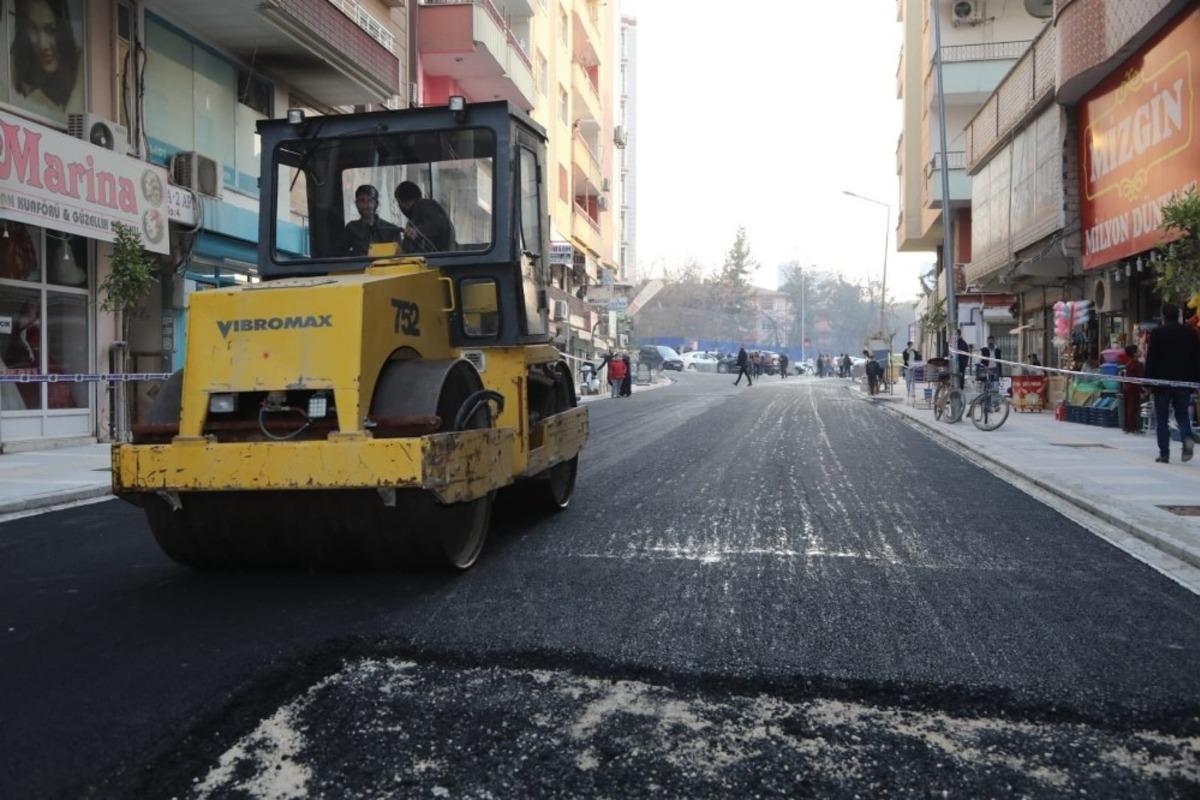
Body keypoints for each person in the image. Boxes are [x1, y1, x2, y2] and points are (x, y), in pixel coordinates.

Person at [1144, 303, 1200, 463]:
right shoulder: (1190, 332)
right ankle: (1187, 438)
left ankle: (1164, 453)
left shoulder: (1157, 333)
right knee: (1182, 414)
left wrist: (1147, 382)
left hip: (1161, 383)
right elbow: (1196, 357)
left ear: (1163, 316)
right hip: (1184, 382)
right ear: (1179, 316)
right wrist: (1196, 382)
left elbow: (1152, 358)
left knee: (1161, 418)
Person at [12, 0, 83, 120]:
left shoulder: (81, 62)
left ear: (63, 29)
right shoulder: (20, 63)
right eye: (33, 28)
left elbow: (71, 125)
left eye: (51, 30)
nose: (43, 44)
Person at [395, 181, 456, 253]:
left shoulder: (420, 208)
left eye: (399, 203)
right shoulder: (430, 206)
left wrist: (415, 233)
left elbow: (410, 248)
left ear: (403, 203)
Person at [338, 185, 400, 256]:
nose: (366, 205)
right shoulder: (351, 228)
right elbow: (340, 254)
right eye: (362, 200)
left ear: (376, 204)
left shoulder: (391, 230)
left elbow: (399, 257)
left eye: (370, 200)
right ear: (356, 204)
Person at [1121, 344, 1145, 434]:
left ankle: (1128, 427)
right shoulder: (1138, 365)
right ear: (1134, 353)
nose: (1140, 352)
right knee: (1133, 408)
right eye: (1138, 350)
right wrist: (1143, 390)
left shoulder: (1128, 364)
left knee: (1128, 408)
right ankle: (1132, 427)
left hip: (1127, 388)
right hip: (1134, 389)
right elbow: (1140, 379)